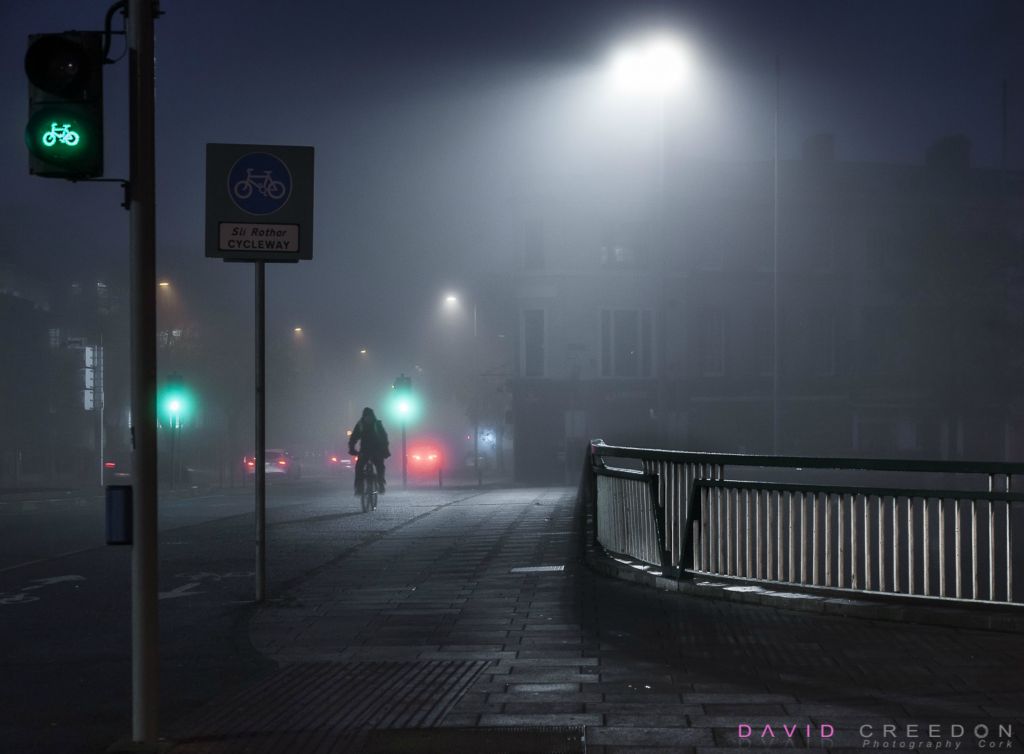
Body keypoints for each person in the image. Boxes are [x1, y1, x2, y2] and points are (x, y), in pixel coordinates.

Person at [348, 407, 390, 495]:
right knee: (359, 467)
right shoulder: (361, 425)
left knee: (380, 466)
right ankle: (359, 487)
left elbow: (384, 438)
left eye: (369, 416)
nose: (368, 418)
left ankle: (380, 483)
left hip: (377, 450)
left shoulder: (377, 425)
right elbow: (354, 437)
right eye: (366, 417)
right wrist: (352, 448)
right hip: (365, 450)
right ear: (364, 417)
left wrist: (385, 450)